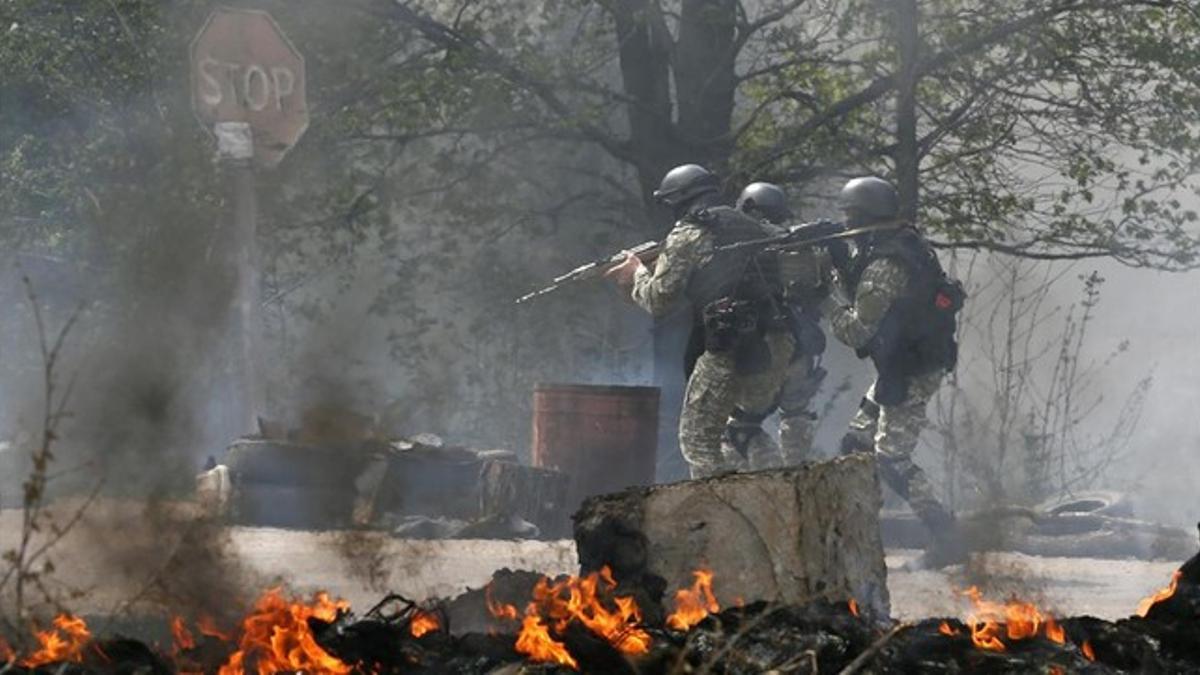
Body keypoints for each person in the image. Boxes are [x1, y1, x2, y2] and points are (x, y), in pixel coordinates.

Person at [605, 165, 794, 478]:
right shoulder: (751, 225)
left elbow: (657, 299)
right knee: (743, 431)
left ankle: (717, 518)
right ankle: (774, 500)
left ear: (679, 200)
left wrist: (636, 271)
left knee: (697, 442)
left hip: (731, 346)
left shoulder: (688, 233)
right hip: (775, 344)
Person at [819, 176, 967, 568]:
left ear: (863, 216)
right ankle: (850, 531)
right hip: (902, 363)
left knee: (891, 458)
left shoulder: (885, 263)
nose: (847, 224)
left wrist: (829, 289)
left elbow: (856, 329)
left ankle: (946, 535)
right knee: (855, 443)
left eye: (850, 216)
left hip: (912, 368)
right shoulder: (902, 244)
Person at [728, 182, 832, 467]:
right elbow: (823, 290)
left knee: (741, 426)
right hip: (802, 345)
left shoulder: (744, 249)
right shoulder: (802, 246)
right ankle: (796, 475)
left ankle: (769, 480)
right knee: (796, 414)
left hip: (764, 347)